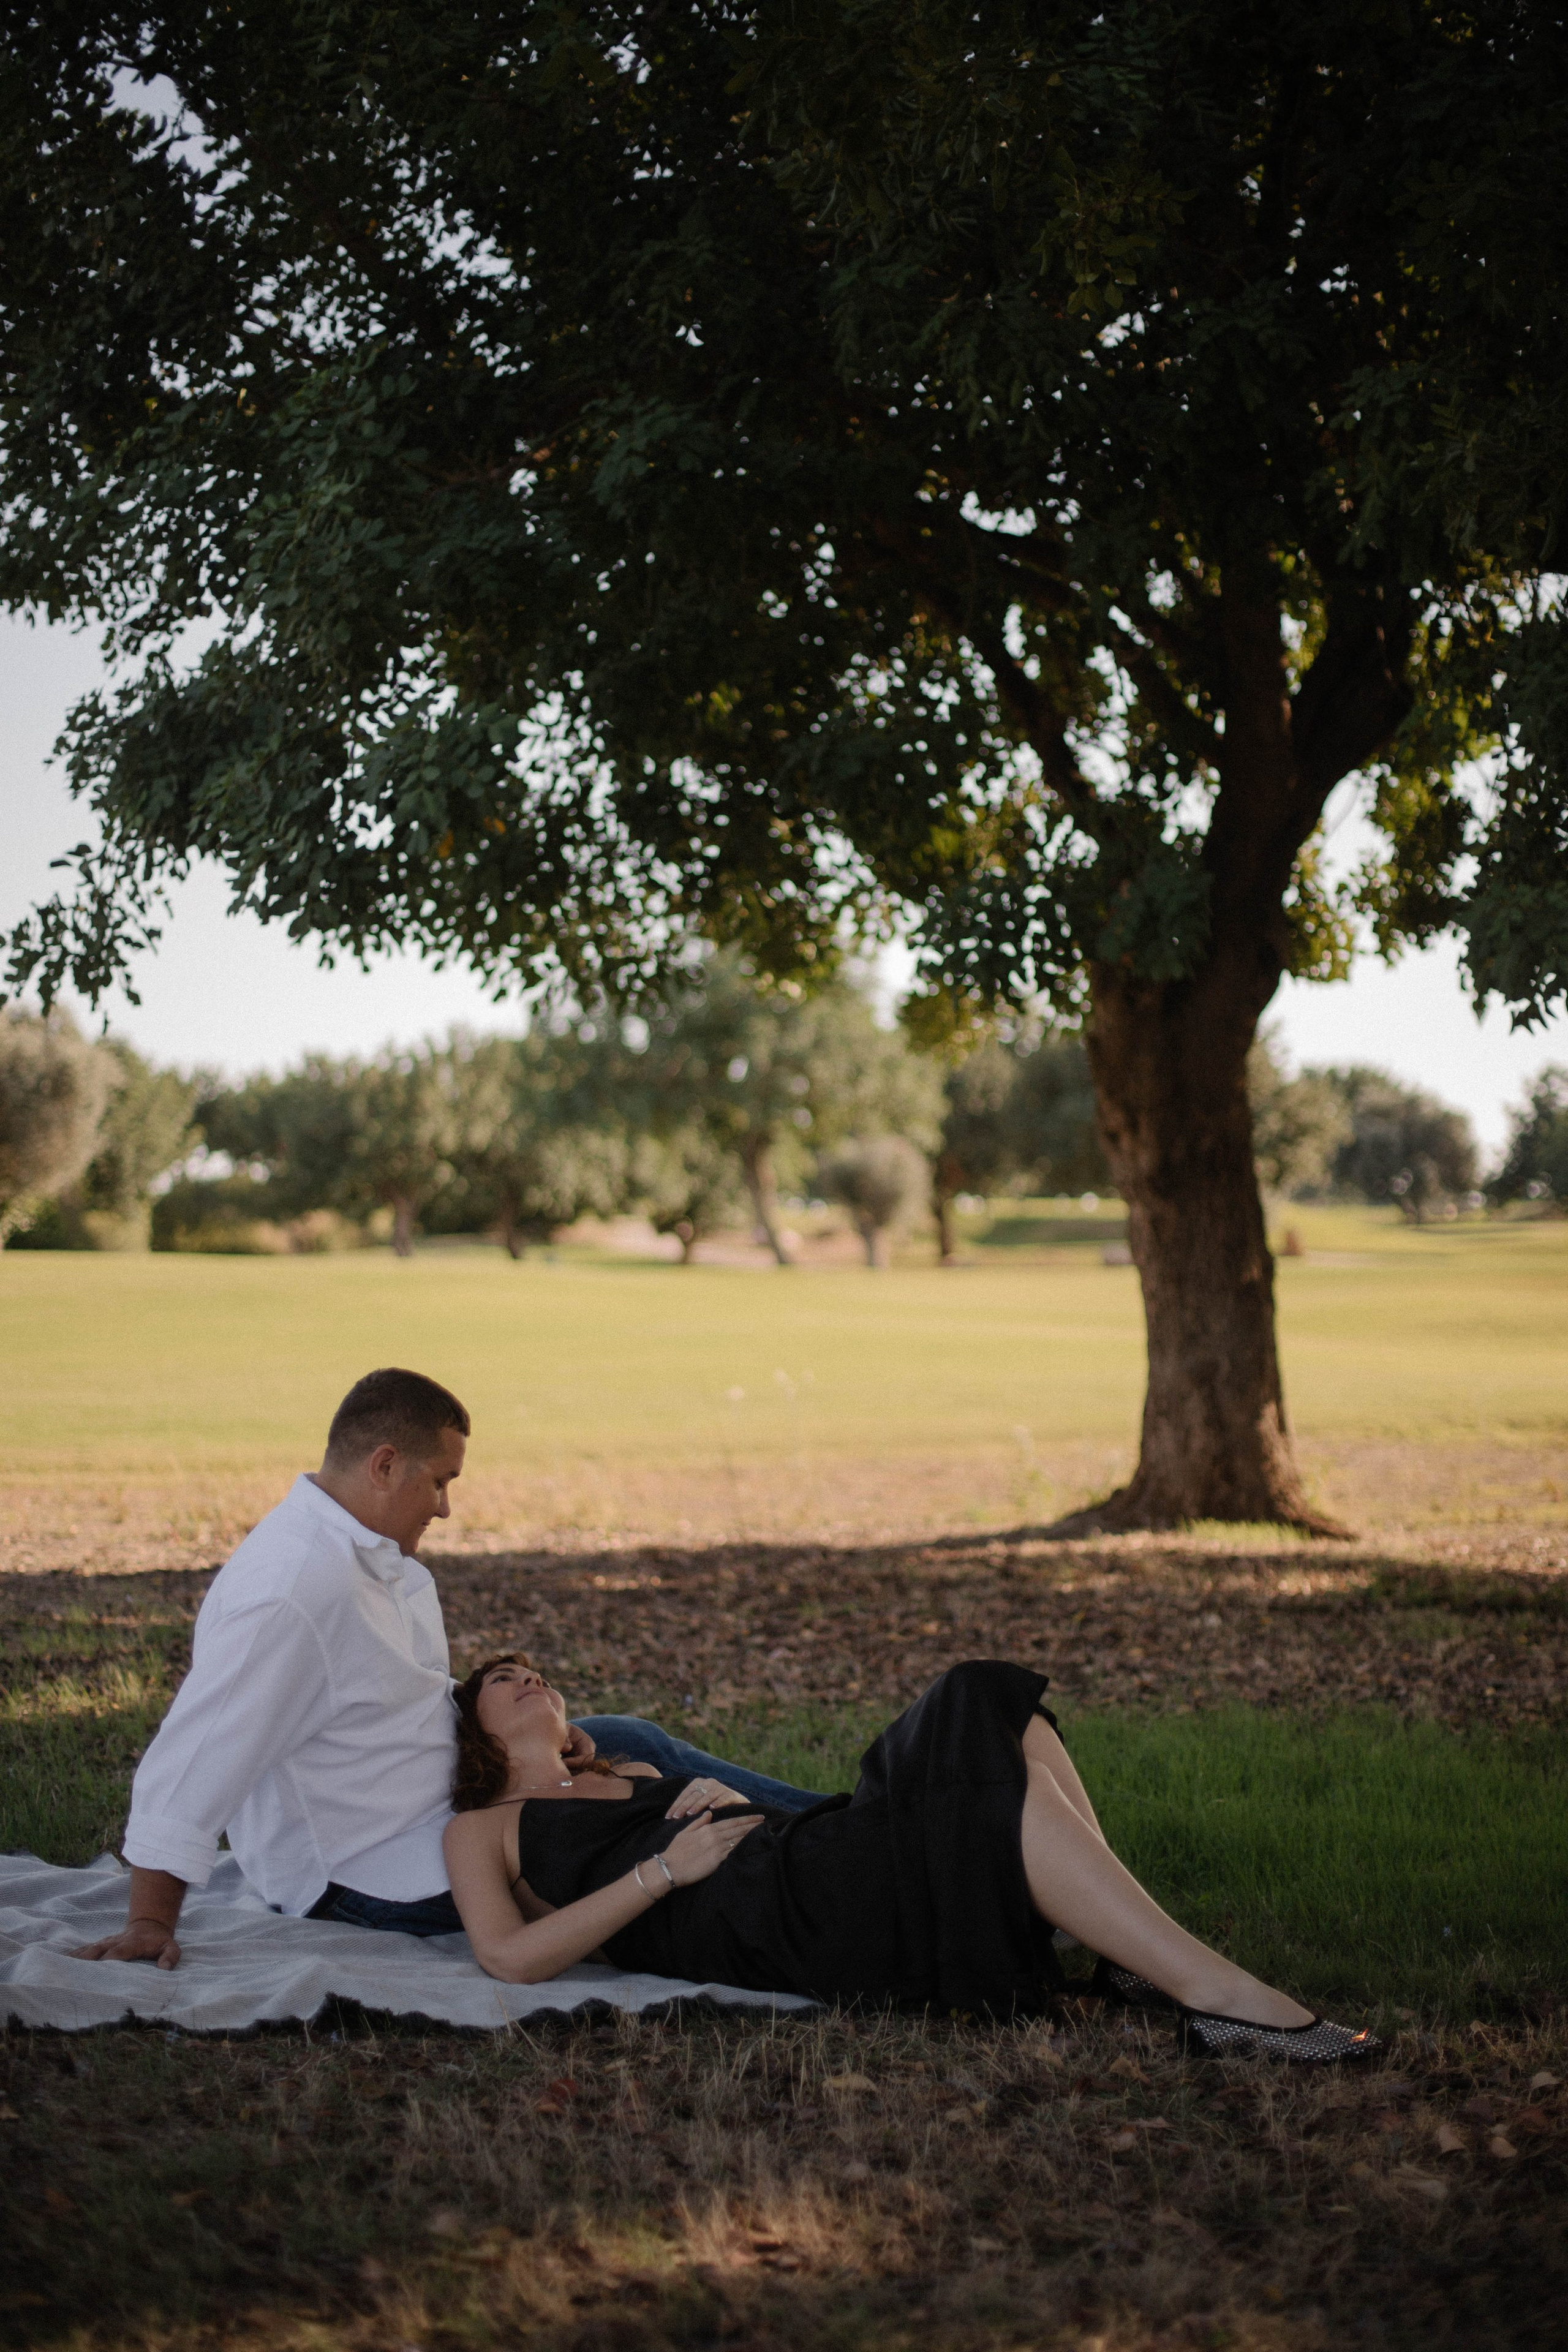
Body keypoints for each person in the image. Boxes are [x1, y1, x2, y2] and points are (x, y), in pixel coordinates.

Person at [73, 1367, 821, 1971]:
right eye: (439, 1483)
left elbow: (399, 1704)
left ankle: (843, 1823)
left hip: (459, 1795)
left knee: (629, 1740)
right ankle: (831, 1863)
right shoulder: (291, 1593)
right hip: (379, 1866)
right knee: (628, 1834)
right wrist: (148, 1922)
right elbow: (193, 1761)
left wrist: (528, 1758)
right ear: (384, 1465)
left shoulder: (368, 1555)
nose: (445, 1508)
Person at [443, 1653, 1379, 2064]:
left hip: (792, 1857)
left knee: (984, 1705)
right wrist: (664, 1872)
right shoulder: (480, 1830)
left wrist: (725, 1804)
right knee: (981, 1779)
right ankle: (1222, 2002)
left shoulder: (631, 1765)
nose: (531, 1681)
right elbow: (509, 1958)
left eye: (539, 1674)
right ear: (473, 1728)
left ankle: (1143, 1960)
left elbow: (749, 1818)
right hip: (749, 1920)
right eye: (503, 1680)